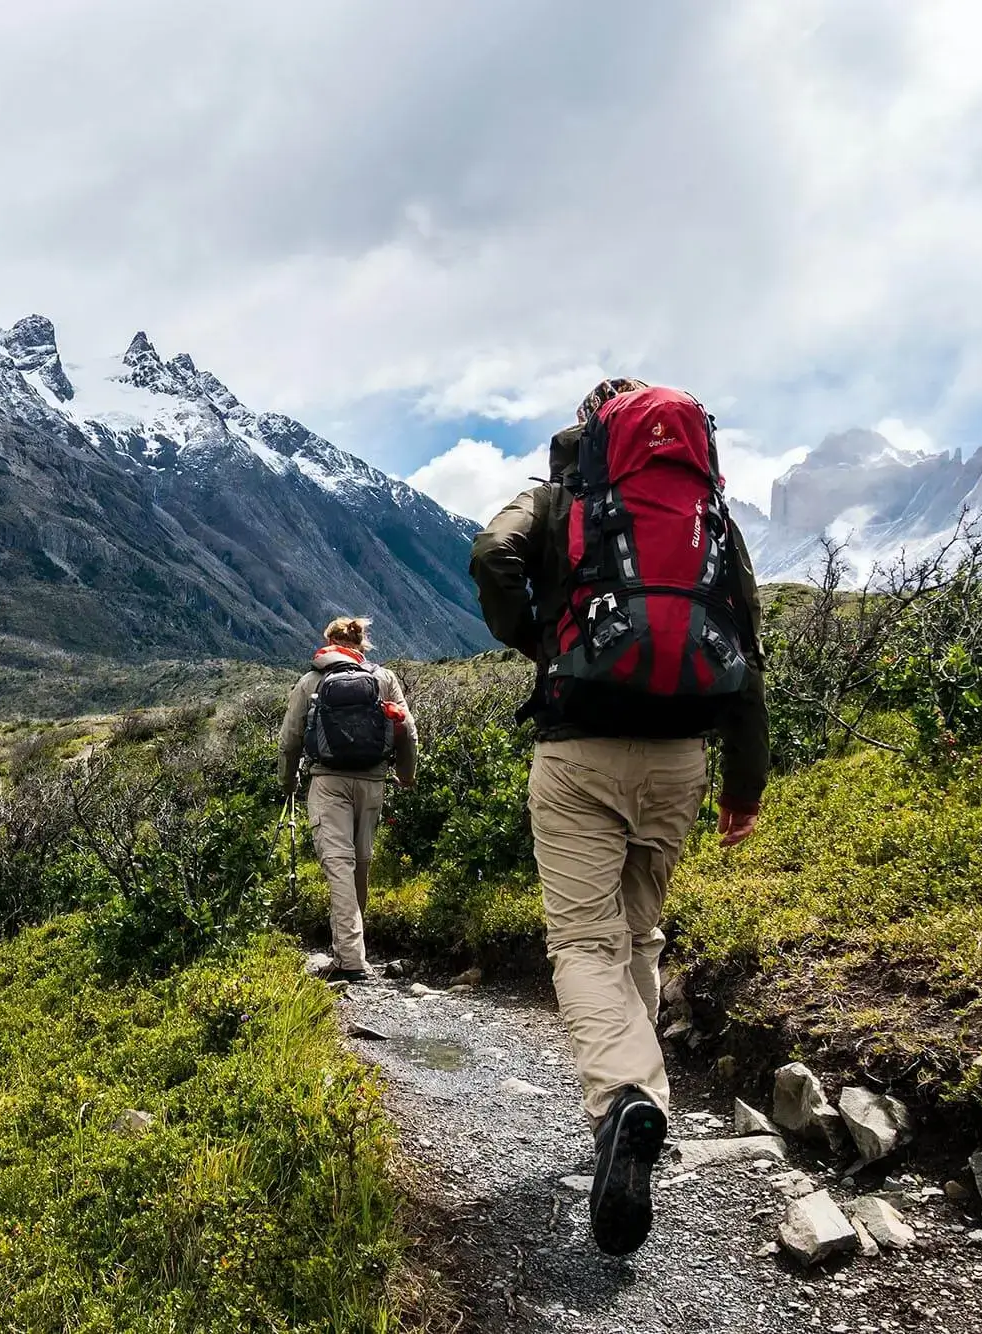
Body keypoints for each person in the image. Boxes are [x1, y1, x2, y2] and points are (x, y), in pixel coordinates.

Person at [469, 377, 768, 1258]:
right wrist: (743, 787)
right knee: (639, 936)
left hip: (579, 749)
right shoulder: (707, 514)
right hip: (681, 757)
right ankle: (637, 1106)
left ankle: (624, 1102)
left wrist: (539, 637)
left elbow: (492, 555)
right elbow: (746, 644)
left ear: (591, 429)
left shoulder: (561, 497)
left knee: (583, 944)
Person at [276, 616, 419, 984]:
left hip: (328, 783)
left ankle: (350, 959)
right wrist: (405, 775)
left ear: (329, 641)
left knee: (338, 863)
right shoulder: (383, 679)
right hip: (372, 782)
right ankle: (354, 950)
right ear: (361, 643)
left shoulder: (311, 681)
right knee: (360, 863)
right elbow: (407, 730)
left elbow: (290, 739)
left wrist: (289, 782)